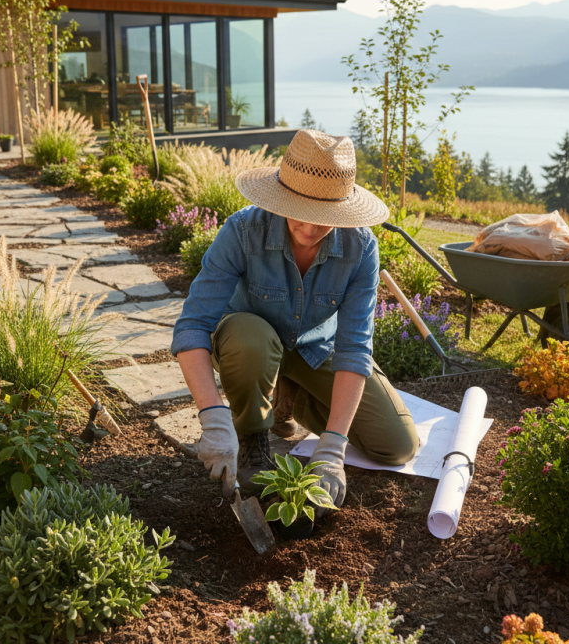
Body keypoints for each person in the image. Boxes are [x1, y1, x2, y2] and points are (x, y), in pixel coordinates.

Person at [171, 129, 419, 516]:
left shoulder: (360, 248)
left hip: (315, 347)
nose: (309, 227)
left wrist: (333, 446)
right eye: (298, 211)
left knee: (397, 444)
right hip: (246, 343)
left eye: (324, 216)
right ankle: (252, 431)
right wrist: (213, 416)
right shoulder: (242, 231)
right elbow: (192, 326)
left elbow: (354, 348)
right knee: (251, 340)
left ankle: (285, 397)